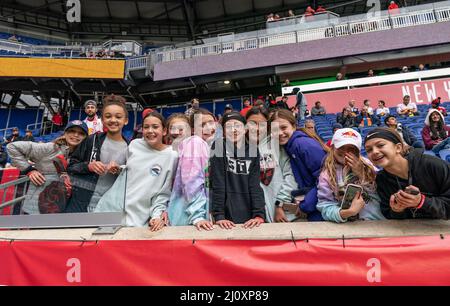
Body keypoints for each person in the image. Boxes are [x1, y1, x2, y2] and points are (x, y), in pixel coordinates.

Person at [364, 127, 450, 219]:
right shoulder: (381, 179)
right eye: (369, 150)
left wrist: (422, 201)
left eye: (380, 145)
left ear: (398, 148)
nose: (374, 152)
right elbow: (389, 214)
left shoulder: (433, 165)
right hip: (413, 231)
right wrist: (397, 211)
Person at [7, 121, 88, 214]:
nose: (76, 135)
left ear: (86, 138)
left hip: (65, 207)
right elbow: (12, 147)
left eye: (81, 133)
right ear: (65, 133)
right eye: (72, 131)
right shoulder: (50, 148)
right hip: (37, 207)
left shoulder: (84, 156)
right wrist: (29, 170)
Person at [66, 96, 129, 213]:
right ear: (103, 120)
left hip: (112, 207)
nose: (113, 120)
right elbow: (71, 166)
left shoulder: (130, 148)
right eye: (108, 116)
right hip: (84, 205)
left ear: (126, 120)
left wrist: (120, 170)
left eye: (118, 117)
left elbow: (132, 178)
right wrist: (88, 166)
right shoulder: (91, 140)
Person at [209, 112, 266, 229]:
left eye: (237, 125)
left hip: (249, 212)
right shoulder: (219, 146)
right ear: (224, 131)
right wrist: (219, 215)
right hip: (226, 214)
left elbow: (255, 185)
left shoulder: (253, 149)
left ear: (245, 129)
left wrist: (259, 214)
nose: (233, 130)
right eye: (229, 127)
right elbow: (218, 182)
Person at [269, 109, 328, 221]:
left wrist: (305, 206)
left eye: (284, 127)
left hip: (323, 204)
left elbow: (326, 180)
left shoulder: (303, 145)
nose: (280, 133)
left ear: (294, 126)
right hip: (314, 202)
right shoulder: (288, 146)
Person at [317, 129, 385, 223]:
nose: (346, 152)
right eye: (341, 147)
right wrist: (348, 212)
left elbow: (381, 191)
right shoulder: (326, 175)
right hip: (348, 227)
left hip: (377, 221)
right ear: (332, 148)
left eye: (351, 149)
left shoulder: (368, 164)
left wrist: (362, 174)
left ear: (358, 151)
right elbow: (325, 206)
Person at [124, 112, 178, 229]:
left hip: (143, 217)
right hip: (119, 211)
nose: (150, 130)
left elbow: (164, 191)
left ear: (164, 131)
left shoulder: (172, 155)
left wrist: (156, 215)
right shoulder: (134, 145)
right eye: (146, 127)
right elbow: (128, 172)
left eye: (155, 127)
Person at [168, 109, 216, 230]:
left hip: (191, 216)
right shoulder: (196, 142)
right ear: (193, 130)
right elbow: (191, 181)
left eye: (211, 122)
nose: (207, 127)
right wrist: (197, 216)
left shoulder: (206, 146)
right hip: (187, 217)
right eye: (202, 125)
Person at [246, 107, 297, 223]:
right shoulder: (241, 149)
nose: (256, 128)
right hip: (255, 217)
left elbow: (291, 176)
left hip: (282, 214)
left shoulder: (277, 144)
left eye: (261, 124)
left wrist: (280, 203)